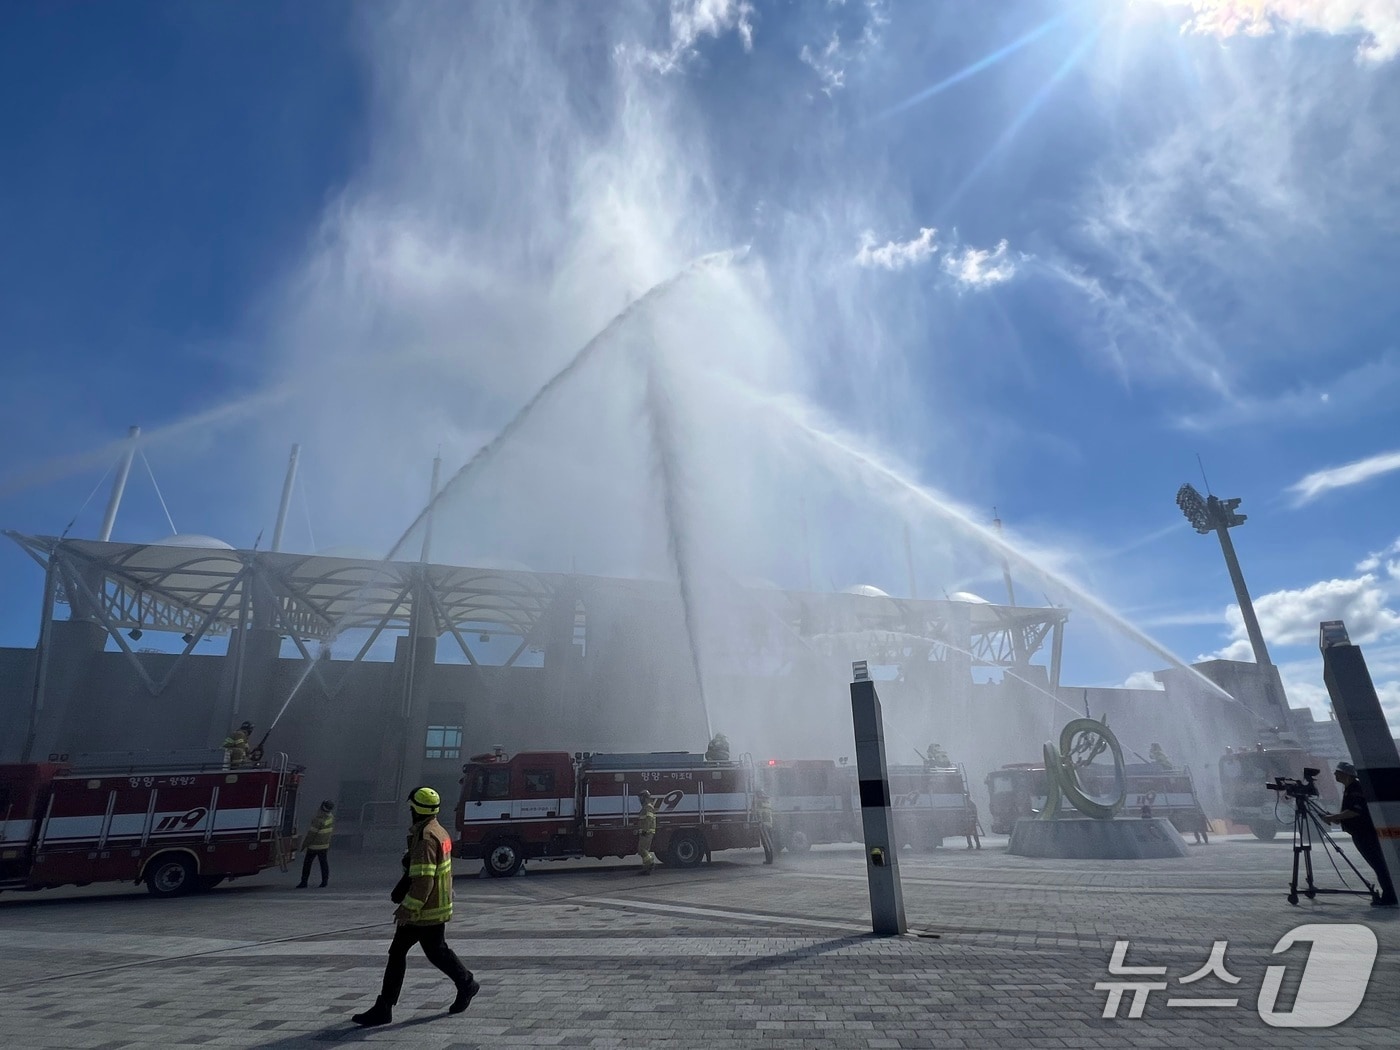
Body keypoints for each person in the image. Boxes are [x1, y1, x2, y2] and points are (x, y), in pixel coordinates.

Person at [351, 787, 479, 1027]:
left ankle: (385, 1007)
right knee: (435, 952)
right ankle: (466, 984)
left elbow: (424, 881)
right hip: (435, 907)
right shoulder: (438, 831)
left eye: (411, 808)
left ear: (416, 811)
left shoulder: (425, 839)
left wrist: (407, 909)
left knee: (402, 952)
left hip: (424, 910)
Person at [1325, 762, 1397, 907]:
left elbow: (1355, 811)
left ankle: (1390, 896)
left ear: (1346, 774)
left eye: (1337, 772)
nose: (1335, 775)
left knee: (1379, 865)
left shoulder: (1355, 789)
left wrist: (1333, 817)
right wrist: (1337, 818)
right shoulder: (1350, 788)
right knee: (1379, 864)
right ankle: (1391, 893)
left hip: (1365, 834)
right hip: (1361, 832)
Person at [297, 800, 335, 888]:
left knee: (307, 864)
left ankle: (304, 882)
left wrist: (304, 845)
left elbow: (311, 835)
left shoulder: (318, 820)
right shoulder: (330, 817)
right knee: (323, 863)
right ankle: (324, 881)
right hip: (324, 845)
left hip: (314, 846)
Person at [635, 790, 658, 876]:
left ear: (645, 798)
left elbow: (649, 820)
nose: (640, 799)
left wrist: (645, 830)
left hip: (647, 832)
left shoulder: (648, 807)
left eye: (641, 797)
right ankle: (647, 867)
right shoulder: (646, 807)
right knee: (643, 850)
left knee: (642, 850)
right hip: (645, 832)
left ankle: (650, 864)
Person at [756, 790, 775, 864]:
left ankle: (769, 860)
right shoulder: (768, 802)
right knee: (770, 842)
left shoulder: (759, 802)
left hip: (763, 825)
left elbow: (758, 812)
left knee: (766, 843)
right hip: (769, 824)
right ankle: (770, 859)